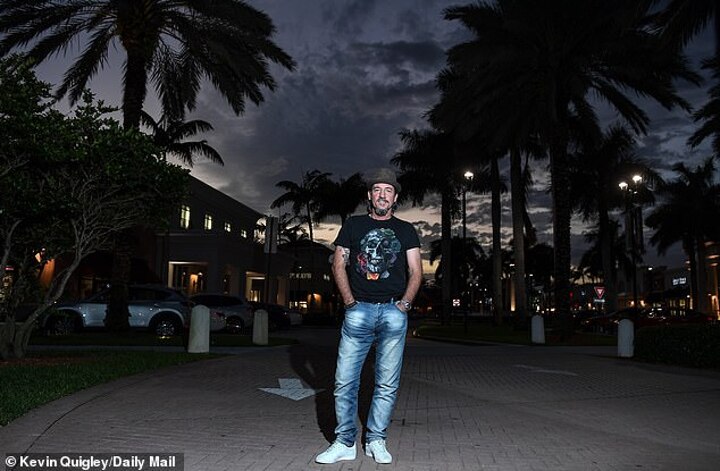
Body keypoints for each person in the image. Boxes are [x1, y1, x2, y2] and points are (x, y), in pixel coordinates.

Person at [315, 168, 422, 465]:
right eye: (377, 190)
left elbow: (416, 271)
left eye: (388, 190)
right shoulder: (354, 225)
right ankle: (344, 442)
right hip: (358, 311)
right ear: (369, 196)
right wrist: (349, 302)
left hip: (393, 312)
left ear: (395, 198)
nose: (382, 195)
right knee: (344, 382)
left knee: (386, 383)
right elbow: (338, 265)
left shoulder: (406, 230)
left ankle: (376, 439)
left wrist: (404, 304)